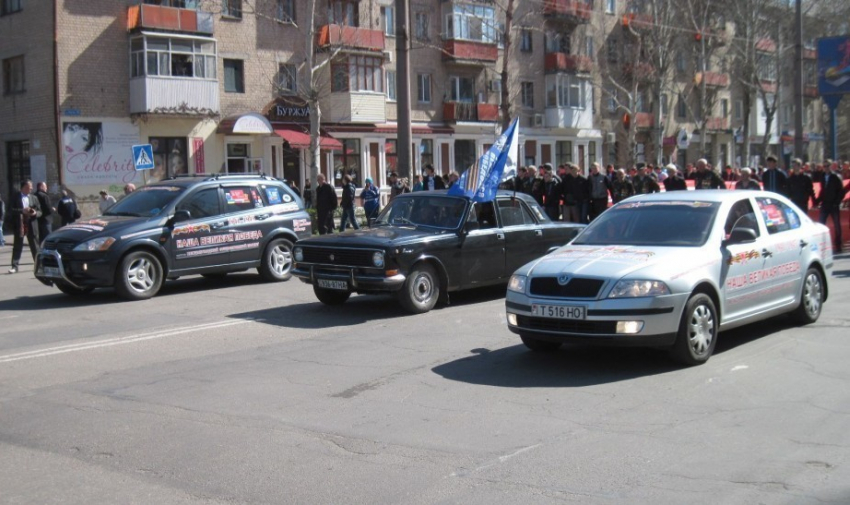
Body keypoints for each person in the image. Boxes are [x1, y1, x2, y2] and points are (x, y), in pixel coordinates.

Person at [7, 180, 42, 274]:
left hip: (32, 224)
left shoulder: (34, 197)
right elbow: (10, 210)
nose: (31, 189)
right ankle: (14, 266)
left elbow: (40, 211)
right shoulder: (15, 197)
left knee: (35, 246)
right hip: (20, 224)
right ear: (23, 187)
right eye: (29, 187)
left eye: (31, 187)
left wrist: (34, 213)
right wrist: (22, 211)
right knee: (18, 245)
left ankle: (39, 265)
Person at [815, 161, 845, 253]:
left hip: (833, 204)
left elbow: (841, 191)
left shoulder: (835, 177)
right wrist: (817, 201)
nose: (826, 168)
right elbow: (823, 190)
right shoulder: (823, 177)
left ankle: (838, 246)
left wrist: (837, 202)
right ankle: (822, 246)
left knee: (836, 225)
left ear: (831, 166)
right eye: (824, 166)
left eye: (827, 166)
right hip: (825, 204)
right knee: (821, 225)